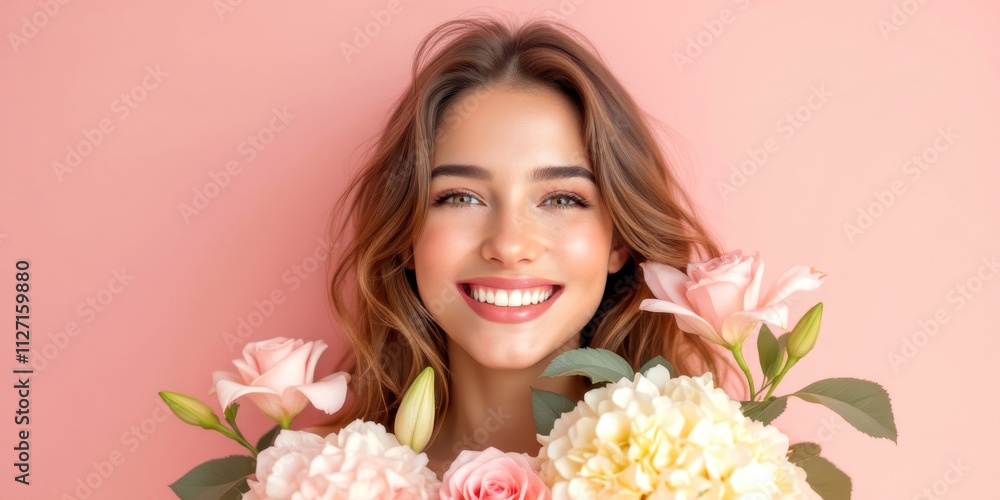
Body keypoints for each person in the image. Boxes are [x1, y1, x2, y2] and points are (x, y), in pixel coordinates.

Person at [309, 16, 732, 476]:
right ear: (406, 235)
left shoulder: (723, 473)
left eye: (562, 199)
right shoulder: (304, 479)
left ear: (620, 242)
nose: (509, 246)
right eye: (460, 197)